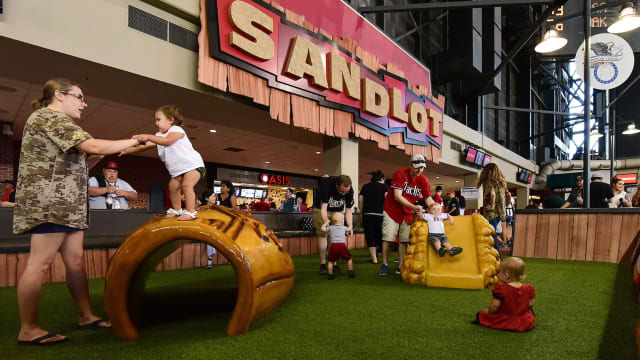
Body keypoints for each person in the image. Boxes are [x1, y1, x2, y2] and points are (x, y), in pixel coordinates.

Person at [14, 78, 143, 345]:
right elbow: (93, 146)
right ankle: (28, 329)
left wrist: (137, 144)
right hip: (51, 202)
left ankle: (86, 316)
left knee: (75, 262)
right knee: (40, 264)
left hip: (68, 205)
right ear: (60, 96)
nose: (84, 104)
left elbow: (89, 157)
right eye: (80, 97)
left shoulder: (62, 124)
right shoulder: (50, 117)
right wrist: (129, 140)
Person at [122, 105, 205, 220]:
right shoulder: (159, 136)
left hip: (193, 165)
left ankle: (190, 211)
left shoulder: (176, 130)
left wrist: (147, 136)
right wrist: (127, 150)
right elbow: (143, 147)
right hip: (178, 171)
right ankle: (177, 210)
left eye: (158, 119)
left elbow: (168, 141)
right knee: (172, 187)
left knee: (187, 185)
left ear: (171, 120)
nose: (156, 123)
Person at [379, 154, 434, 276]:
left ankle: (401, 265)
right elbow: (397, 196)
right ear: (410, 165)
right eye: (417, 167)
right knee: (388, 238)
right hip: (392, 210)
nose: (419, 170)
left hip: (407, 212)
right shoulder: (400, 174)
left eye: (422, 168)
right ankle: (385, 264)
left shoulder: (423, 180)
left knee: (404, 240)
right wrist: (414, 207)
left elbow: (428, 199)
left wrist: (436, 209)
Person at [473, 257, 535, 332]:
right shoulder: (528, 288)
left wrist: (489, 312)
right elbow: (530, 304)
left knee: (481, 315)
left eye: (499, 272)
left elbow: (494, 306)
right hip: (523, 321)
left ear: (506, 275)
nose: (498, 274)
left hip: (506, 319)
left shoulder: (502, 289)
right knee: (529, 314)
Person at [313, 175, 354, 275]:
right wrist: (327, 224)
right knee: (323, 235)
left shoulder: (349, 190)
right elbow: (323, 209)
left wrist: (350, 226)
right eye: (341, 192)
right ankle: (323, 263)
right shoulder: (326, 185)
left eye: (346, 192)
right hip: (322, 209)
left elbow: (348, 211)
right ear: (337, 185)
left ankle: (334, 263)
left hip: (338, 210)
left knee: (335, 236)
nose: (343, 194)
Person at [477, 163, 508, 257]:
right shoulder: (501, 182)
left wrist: (491, 205)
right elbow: (507, 196)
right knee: (491, 235)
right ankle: (493, 257)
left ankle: (498, 259)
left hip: (492, 214)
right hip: (497, 213)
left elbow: (493, 195)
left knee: (491, 236)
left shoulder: (490, 182)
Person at [205, 180, 238, 269]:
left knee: (229, 239)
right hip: (217, 220)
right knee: (210, 235)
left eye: (223, 186)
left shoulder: (232, 197)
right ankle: (210, 260)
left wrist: (224, 209)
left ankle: (232, 259)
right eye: (221, 186)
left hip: (227, 221)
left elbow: (234, 209)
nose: (221, 188)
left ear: (228, 189)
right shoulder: (218, 196)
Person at [359, 170, 388, 264]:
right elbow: (387, 201)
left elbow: (360, 202)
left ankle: (374, 259)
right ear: (382, 179)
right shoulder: (384, 187)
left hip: (367, 215)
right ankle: (382, 255)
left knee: (370, 236)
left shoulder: (365, 186)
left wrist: (361, 213)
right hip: (380, 215)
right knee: (380, 235)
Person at [321, 212, 354, 280]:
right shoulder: (344, 227)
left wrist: (327, 221)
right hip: (342, 246)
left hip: (333, 246)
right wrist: (351, 226)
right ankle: (350, 271)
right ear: (342, 221)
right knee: (349, 259)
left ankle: (330, 274)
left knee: (330, 261)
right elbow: (350, 228)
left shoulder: (331, 228)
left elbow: (322, 228)